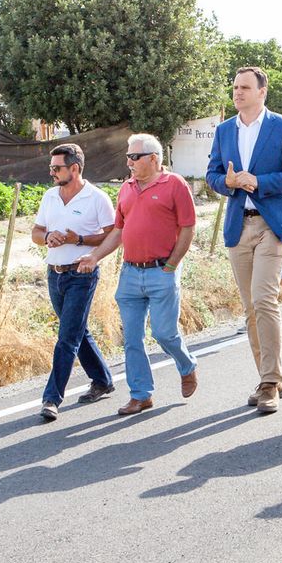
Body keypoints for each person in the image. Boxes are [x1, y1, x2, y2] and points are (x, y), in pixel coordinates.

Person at [206, 66, 282, 415]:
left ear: (262, 92)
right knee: (251, 306)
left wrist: (258, 181)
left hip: (273, 223)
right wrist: (230, 183)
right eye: (235, 87)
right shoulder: (224, 130)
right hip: (239, 226)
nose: (238, 93)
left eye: (245, 87)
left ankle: (269, 382)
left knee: (264, 298)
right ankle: (269, 378)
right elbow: (212, 175)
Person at [76, 134, 200, 416]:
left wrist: (171, 266)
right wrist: (94, 256)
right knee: (132, 338)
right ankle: (141, 394)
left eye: (134, 157)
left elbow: (188, 228)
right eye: (128, 157)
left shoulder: (175, 185)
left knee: (164, 333)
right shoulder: (127, 188)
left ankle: (187, 365)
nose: (129, 162)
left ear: (153, 159)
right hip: (130, 273)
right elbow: (119, 230)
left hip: (162, 271)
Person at [30, 143, 117, 421]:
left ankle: (51, 398)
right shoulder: (49, 196)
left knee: (66, 337)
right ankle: (102, 379)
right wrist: (47, 238)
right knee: (77, 330)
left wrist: (77, 239)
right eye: (51, 167)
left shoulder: (96, 198)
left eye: (57, 168)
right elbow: (35, 231)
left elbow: (112, 234)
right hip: (54, 273)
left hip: (82, 273)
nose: (52, 172)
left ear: (75, 168)